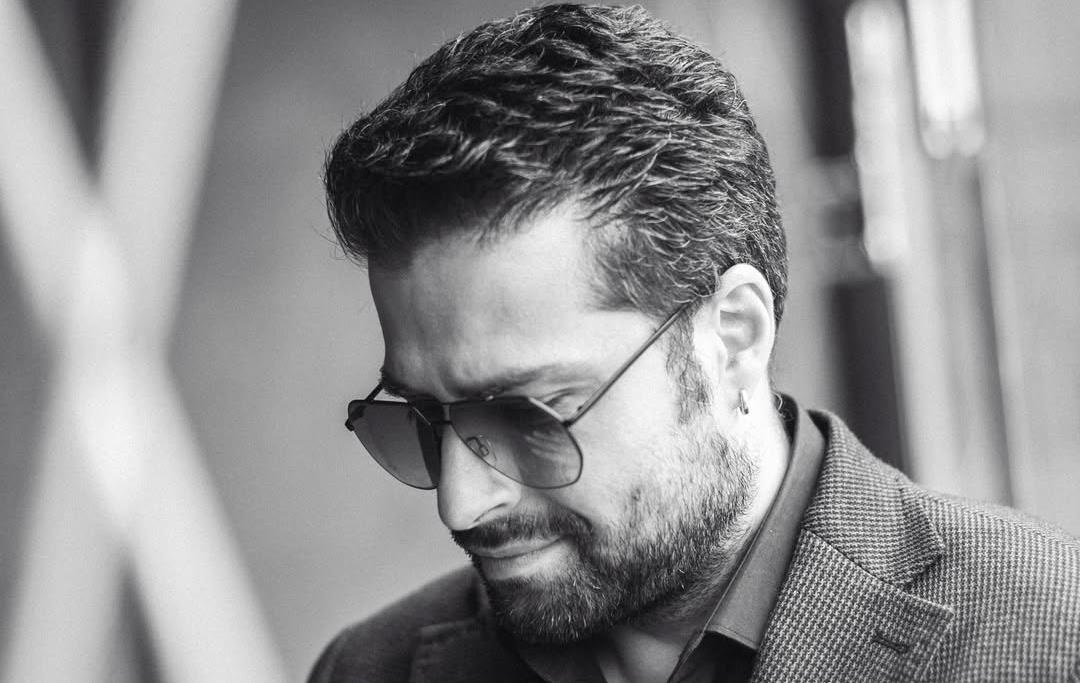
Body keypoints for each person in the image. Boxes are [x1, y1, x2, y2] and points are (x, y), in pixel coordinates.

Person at [309, 4, 1080, 681]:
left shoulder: (1049, 639)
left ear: (734, 336)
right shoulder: (369, 669)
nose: (460, 502)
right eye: (422, 417)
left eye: (526, 414)